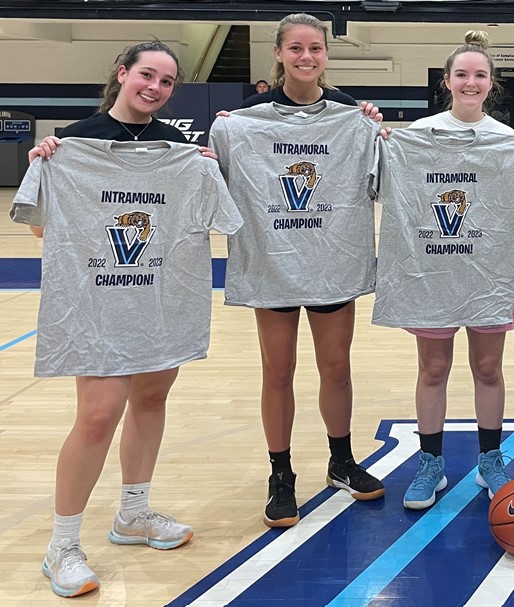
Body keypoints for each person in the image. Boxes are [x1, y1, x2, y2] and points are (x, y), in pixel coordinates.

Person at [19, 41, 236, 598]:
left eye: (166, 81)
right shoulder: (72, 142)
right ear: (122, 74)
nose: (155, 88)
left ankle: (133, 514)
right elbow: (41, 227)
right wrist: (48, 166)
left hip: (160, 302)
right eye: (147, 75)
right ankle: (62, 544)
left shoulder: (179, 150)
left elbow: (218, 219)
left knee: (151, 399)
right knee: (97, 416)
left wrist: (204, 168)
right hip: (96, 304)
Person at [220, 13, 385, 529]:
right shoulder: (243, 119)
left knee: (337, 369)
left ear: (326, 54)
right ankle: (281, 473)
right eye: (296, 48)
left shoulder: (351, 115)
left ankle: (341, 461)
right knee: (278, 371)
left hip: (332, 260)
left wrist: (372, 126)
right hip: (273, 261)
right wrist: (220, 137)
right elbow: (209, 177)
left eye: (315, 48)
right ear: (279, 53)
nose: (306, 57)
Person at [371, 30, 514, 511]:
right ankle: (431, 463)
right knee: (433, 369)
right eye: (462, 74)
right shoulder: (417, 135)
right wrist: (382, 141)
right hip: (431, 273)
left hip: (486, 273)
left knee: (488, 368)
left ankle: (491, 460)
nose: (471, 82)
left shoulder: (507, 140)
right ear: (447, 81)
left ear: (491, 83)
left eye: (480, 75)